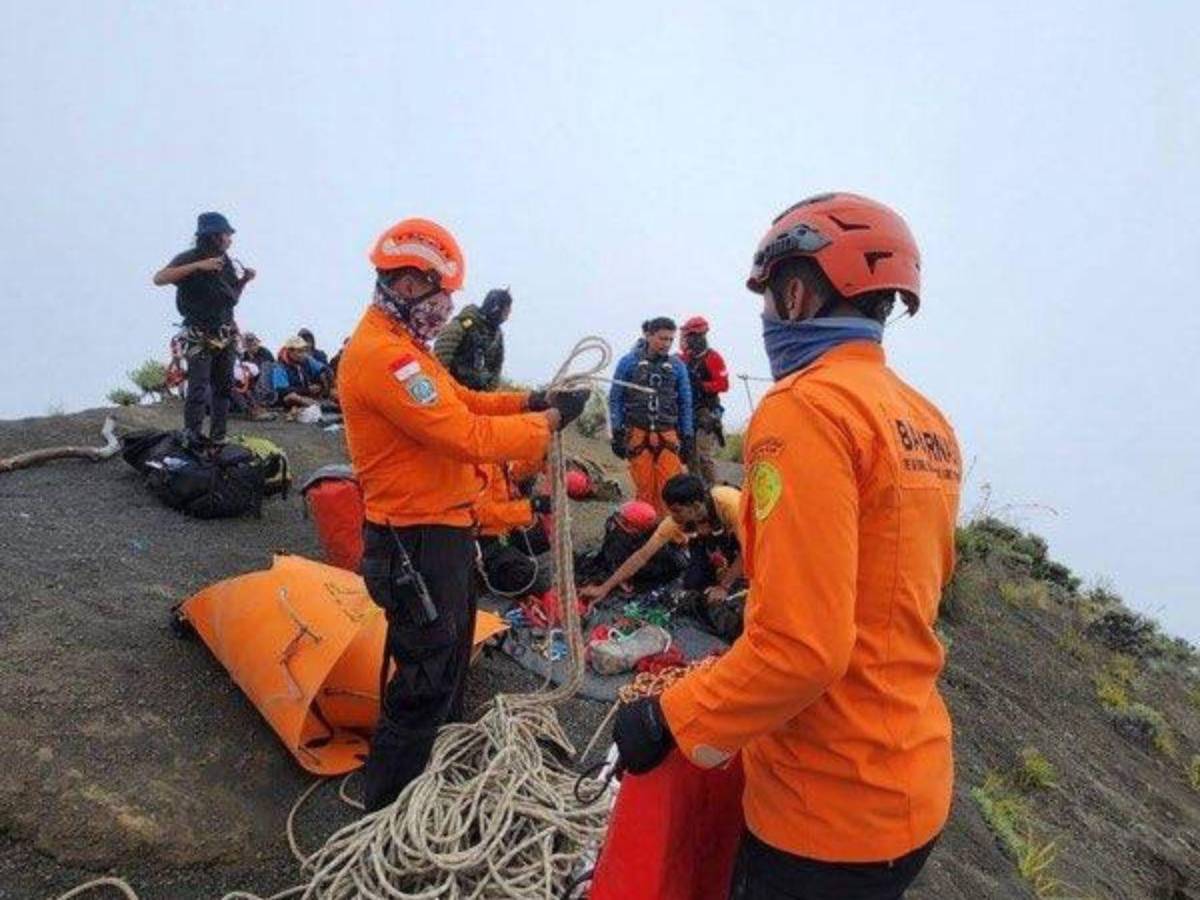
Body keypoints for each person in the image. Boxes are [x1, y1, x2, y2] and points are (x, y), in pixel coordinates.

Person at [612, 193, 962, 900]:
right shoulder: (925, 421)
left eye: (769, 300)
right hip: (912, 783)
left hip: (823, 808)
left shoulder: (804, 409)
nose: (769, 318)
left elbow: (803, 646)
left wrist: (669, 717)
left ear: (795, 292)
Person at [338, 217, 588, 812]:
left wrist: (531, 401)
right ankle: (386, 813)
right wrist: (546, 425)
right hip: (414, 540)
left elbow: (463, 399)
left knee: (448, 660)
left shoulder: (406, 352)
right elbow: (465, 434)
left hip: (441, 532)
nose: (447, 306)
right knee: (425, 675)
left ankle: (430, 788)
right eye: (438, 291)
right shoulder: (384, 359)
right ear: (403, 283)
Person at [580, 474, 745, 640]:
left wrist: (724, 586)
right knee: (693, 584)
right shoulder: (680, 520)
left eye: (676, 511)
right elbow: (641, 556)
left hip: (753, 541)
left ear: (694, 506)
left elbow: (749, 550)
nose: (672, 516)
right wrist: (604, 588)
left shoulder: (731, 505)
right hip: (716, 541)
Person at [152, 211, 256, 443]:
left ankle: (218, 438)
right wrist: (199, 266)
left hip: (225, 334)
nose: (231, 239)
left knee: (223, 388)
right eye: (228, 234)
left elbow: (230, 299)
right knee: (198, 388)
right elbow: (159, 278)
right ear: (215, 236)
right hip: (199, 334)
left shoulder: (226, 263)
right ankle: (193, 437)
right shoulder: (191, 257)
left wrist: (243, 282)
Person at [609, 317, 694, 515]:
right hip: (638, 433)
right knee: (644, 489)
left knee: (671, 490)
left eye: (670, 340)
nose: (667, 344)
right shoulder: (628, 362)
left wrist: (688, 435)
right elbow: (616, 398)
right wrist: (617, 431)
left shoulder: (677, 366)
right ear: (648, 336)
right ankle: (646, 531)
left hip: (668, 434)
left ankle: (671, 537)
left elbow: (685, 402)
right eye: (662, 338)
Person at [678, 316, 730, 484]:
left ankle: (715, 493)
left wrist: (702, 385)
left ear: (700, 336)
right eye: (687, 337)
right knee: (689, 455)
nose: (688, 340)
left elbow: (723, 384)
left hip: (707, 411)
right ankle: (698, 493)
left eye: (691, 336)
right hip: (688, 411)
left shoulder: (713, 358)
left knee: (703, 455)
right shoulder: (685, 358)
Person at [432, 287, 512, 390]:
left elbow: (496, 367)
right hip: (450, 389)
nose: (506, 317)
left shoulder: (497, 336)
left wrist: (487, 394)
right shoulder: (466, 323)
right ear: (496, 308)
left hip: (475, 394)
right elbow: (442, 352)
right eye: (505, 312)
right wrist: (447, 385)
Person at [271, 335, 330, 410]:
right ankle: (318, 405)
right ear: (290, 351)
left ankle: (321, 402)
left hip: (307, 393)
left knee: (325, 379)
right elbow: (282, 390)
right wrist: (307, 390)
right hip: (289, 398)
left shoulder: (307, 360)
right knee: (291, 397)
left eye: (304, 350)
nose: (303, 354)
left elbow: (323, 368)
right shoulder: (279, 367)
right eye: (299, 351)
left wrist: (323, 384)